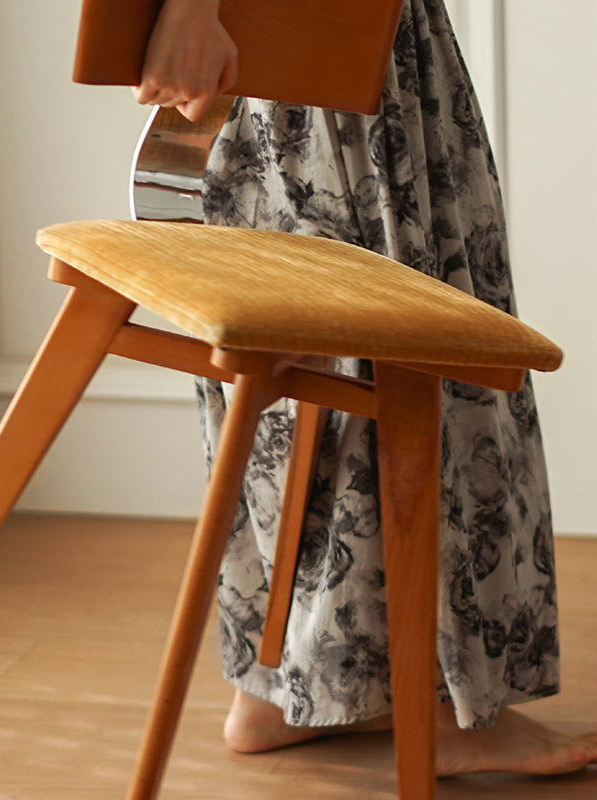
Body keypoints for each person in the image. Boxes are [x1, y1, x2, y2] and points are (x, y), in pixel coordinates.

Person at [133, 0, 597, 776]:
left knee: (306, 378)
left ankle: (282, 688)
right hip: (332, 64)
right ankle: (446, 709)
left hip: (323, 56)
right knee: (405, 356)